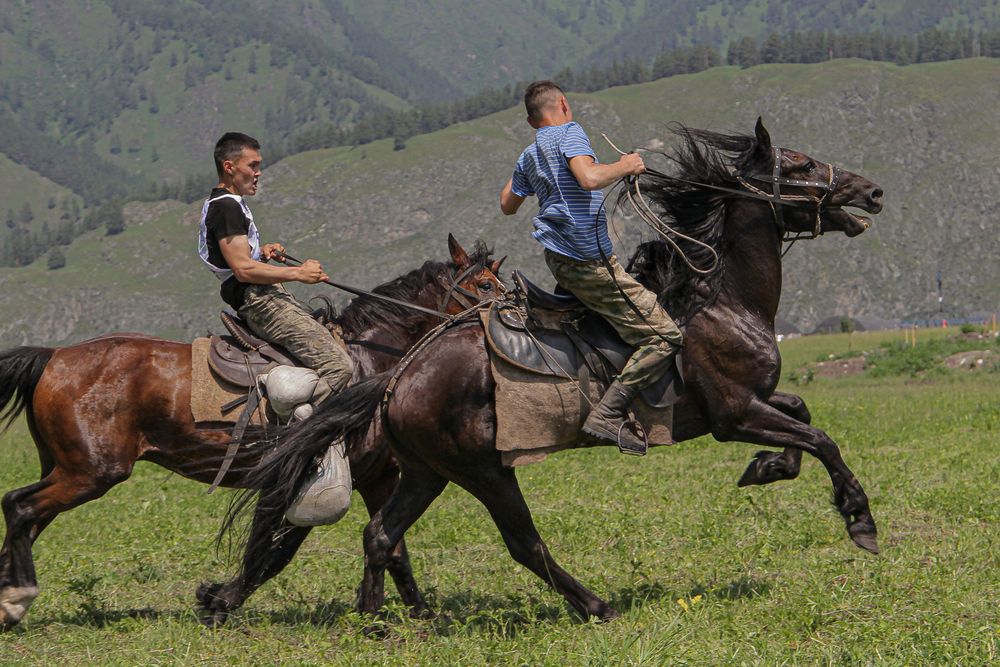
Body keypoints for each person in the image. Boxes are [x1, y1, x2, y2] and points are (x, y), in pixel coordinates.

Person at [499, 81, 683, 455]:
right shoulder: (570, 132)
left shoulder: (529, 154)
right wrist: (626, 165)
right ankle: (608, 413)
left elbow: (507, 204)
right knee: (664, 336)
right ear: (564, 105)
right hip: (588, 262)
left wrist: (537, 174)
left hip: (559, 259)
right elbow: (589, 178)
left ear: (532, 120)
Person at [198, 132, 354, 407]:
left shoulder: (227, 204)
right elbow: (243, 270)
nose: (258, 173)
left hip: (260, 295)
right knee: (340, 367)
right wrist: (299, 274)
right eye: (252, 165)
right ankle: (302, 429)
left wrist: (261, 252)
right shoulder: (226, 208)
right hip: (259, 301)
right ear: (229, 167)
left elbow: (237, 259)